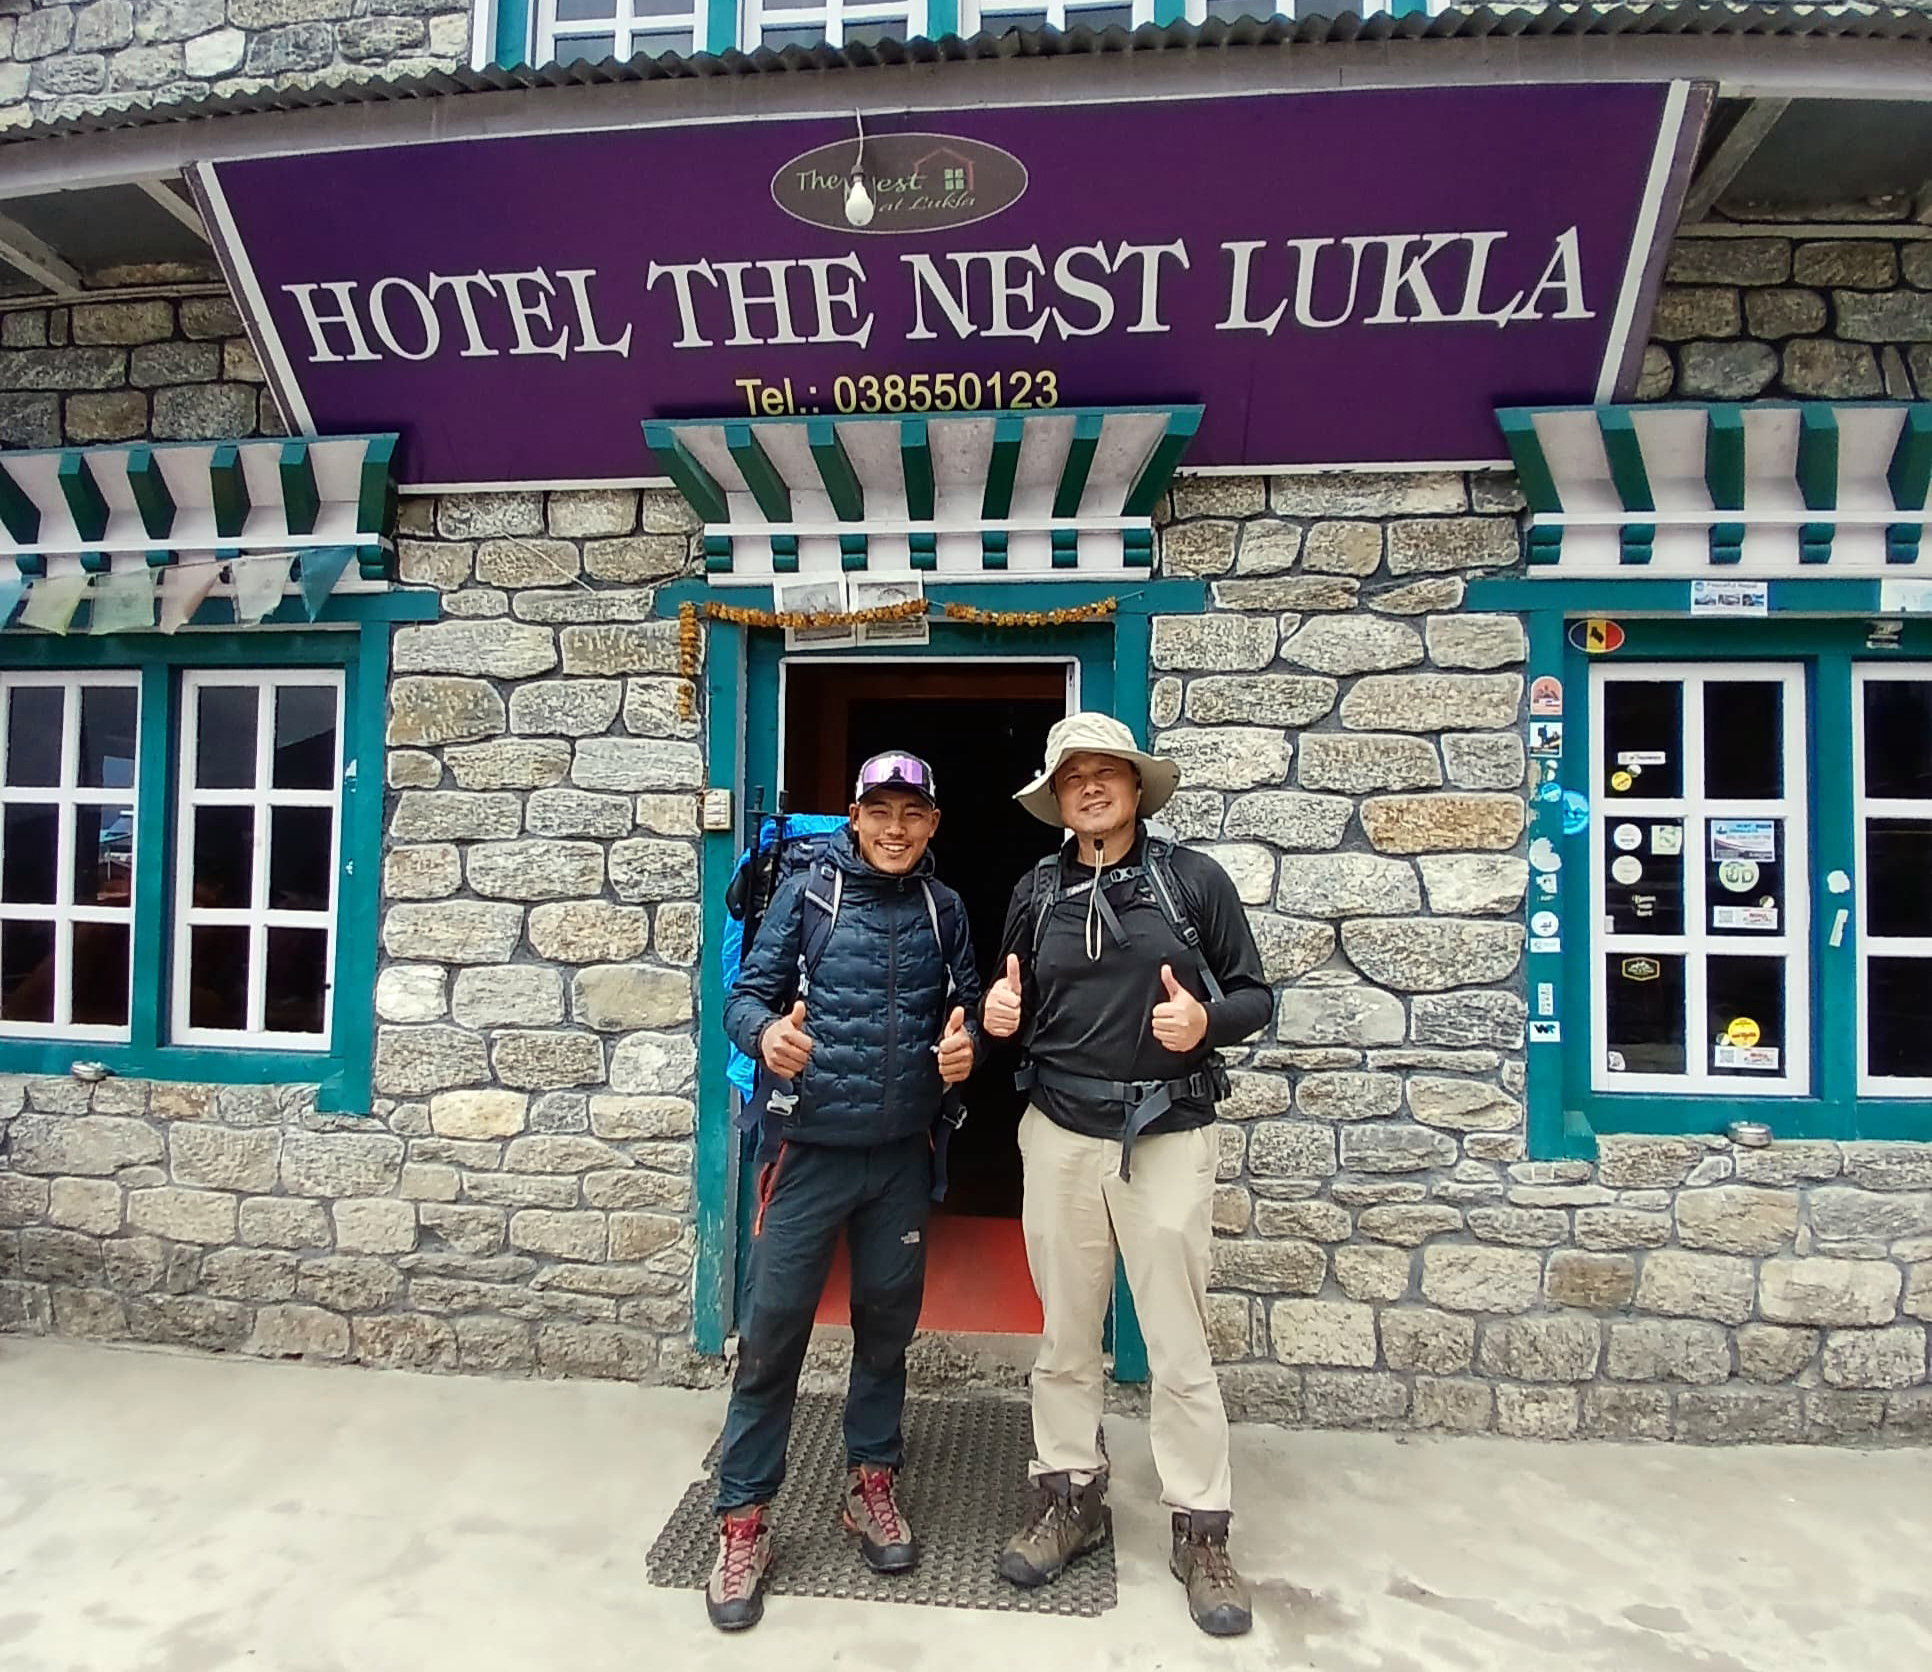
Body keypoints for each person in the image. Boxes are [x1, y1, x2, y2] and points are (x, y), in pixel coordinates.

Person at [983, 713, 1271, 1638]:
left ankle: (1202, 1528)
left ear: (1137, 788)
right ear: (1058, 799)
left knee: (1179, 1343)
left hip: (1167, 1136)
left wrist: (1207, 1024)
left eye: (1108, 772)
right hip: (1060, 1133)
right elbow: (1012, 997)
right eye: (1074, 778)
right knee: (1066, 1334)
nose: (1092, 787)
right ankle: (1070, 1496)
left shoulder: (1193, 882)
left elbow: (1255, 996)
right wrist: (995, 1012)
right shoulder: (1037, 890)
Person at [707, 750, 982, 1632]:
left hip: (900, 1156)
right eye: (881, 812)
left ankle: (871, 1482)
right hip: (808, 1153)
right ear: (854, 817)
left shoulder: (945, 909)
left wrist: (969, 1047)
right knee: (772, 1335)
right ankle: (743, 1520)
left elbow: (970, 1008)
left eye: (913, 813)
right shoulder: (807, 896)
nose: (896, 829)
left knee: (886, 1330)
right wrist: (765, 1038)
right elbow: (743, 999)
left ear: (932, 824)